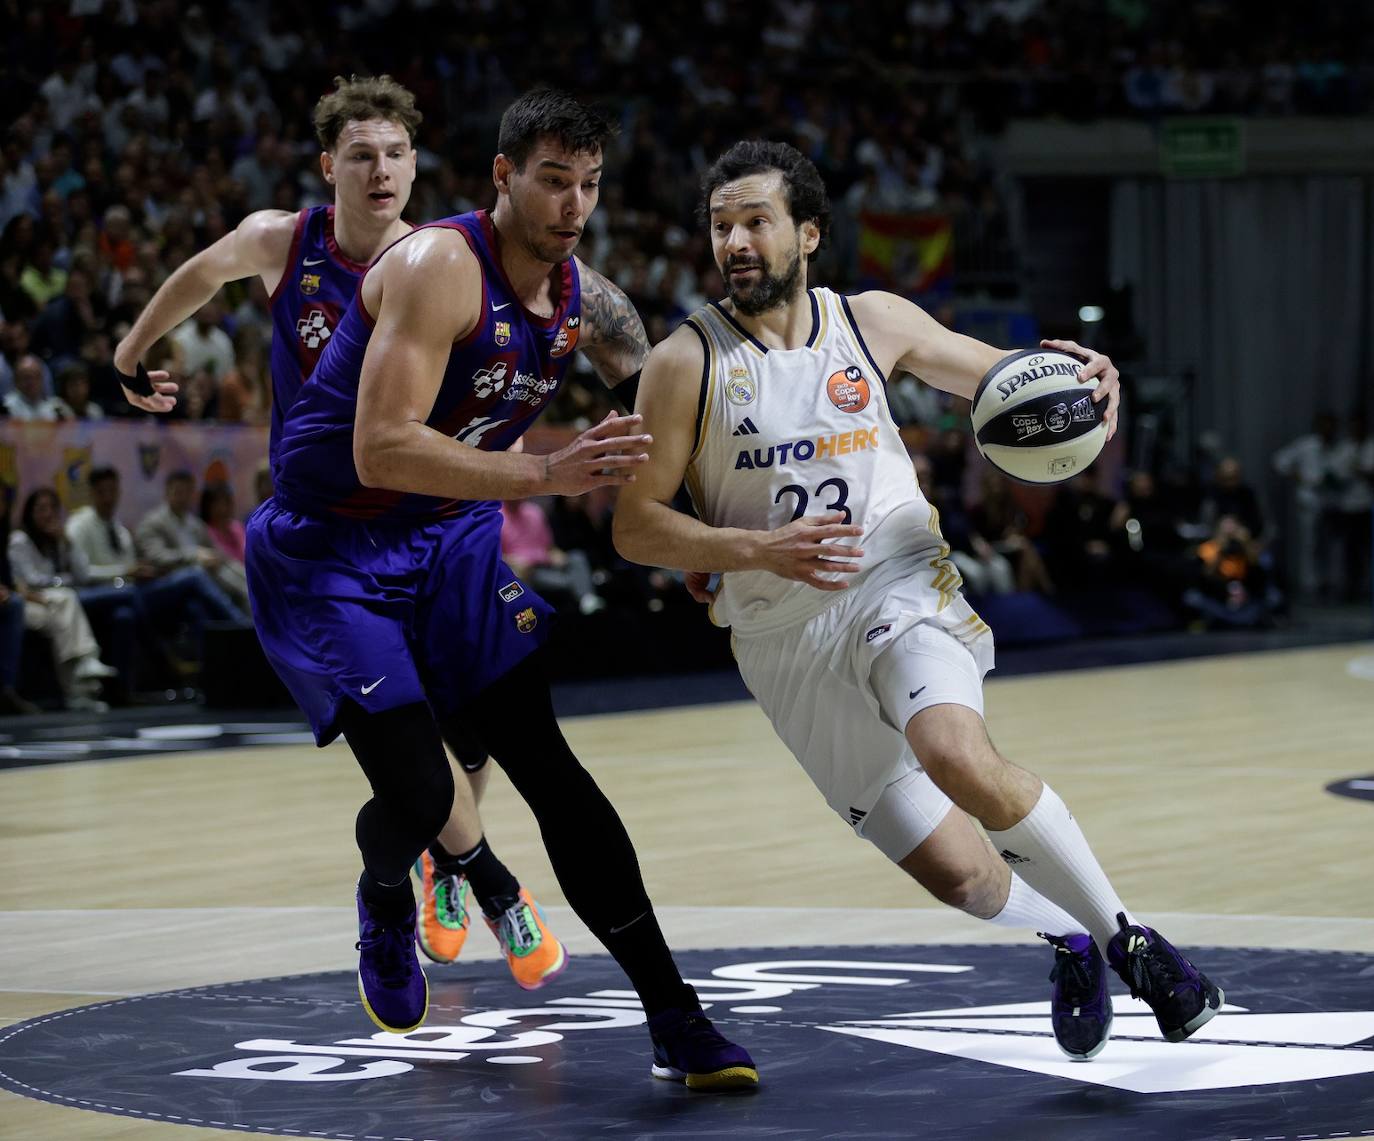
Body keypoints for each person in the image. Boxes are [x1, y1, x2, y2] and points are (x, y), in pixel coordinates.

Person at [613, 140, 1223, 1062]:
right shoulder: (684, 363)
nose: (735, 240)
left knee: (953, 750)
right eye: (720, 224)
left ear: (808, 232)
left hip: (895, 577)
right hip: (782, 638)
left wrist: (1088, 381)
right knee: (958, 874)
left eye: (755, 221)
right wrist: (751, 547)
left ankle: (1132, 941)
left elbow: (1002, 376)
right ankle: (1062, 935)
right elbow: (634, 526)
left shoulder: (871, 320)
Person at [241, 90, 754, 1087]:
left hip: (450, 542)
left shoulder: (592, 305)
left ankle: (675, 1016)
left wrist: (701, 536)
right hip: (333, 552)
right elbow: (380, 446)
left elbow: (659, 421)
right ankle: (387, 891)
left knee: (551, 768)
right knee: (424, 791)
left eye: (590, 186)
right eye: (553, 180)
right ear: (504, 177)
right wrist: (545, 474)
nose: (573, 205)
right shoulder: (439, 267)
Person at [113, 76, 562, 987]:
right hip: (331, 538)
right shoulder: (286, 242)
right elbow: (200, 275)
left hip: (435, 524)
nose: (382, 169)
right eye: (362, 154)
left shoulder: (439, 263)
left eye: (397, 153)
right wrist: (131, 353)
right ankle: (471, 875)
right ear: (330, 167)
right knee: (418, 770)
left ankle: (451, 864)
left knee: (475, 721)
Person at [7, 487, 117, 711]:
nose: (48, 514)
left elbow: (82, 574)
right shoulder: (20, 539)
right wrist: (62, 582)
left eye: (52, 508)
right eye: (41, 509)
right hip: (27, 603)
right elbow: (32, 580)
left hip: (49, 605)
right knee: (66, 600)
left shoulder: (56, 540)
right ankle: (85, 666)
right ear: (29, 513)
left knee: (62, 621)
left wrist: (67, 541)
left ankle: (78, 694)